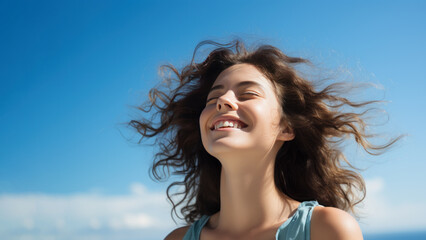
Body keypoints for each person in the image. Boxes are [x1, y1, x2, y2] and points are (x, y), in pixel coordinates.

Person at [130, 40, 398, 240]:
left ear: (286, 127)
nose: (223, 101)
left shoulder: (327, 230)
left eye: (247, 94)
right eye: (213, 99)